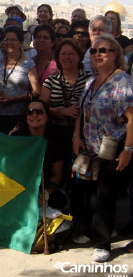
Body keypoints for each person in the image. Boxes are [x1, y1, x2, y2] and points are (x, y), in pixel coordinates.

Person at [72, 35, 133, 262]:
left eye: (104, 50)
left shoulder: (123, 82)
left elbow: (131, 118)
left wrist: (128, 149)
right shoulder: (90, 81)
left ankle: (103, 242)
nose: (98, 54)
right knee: (90, 193)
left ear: (115, 54)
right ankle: (94, 231)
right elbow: (82, 112)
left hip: (113, 147)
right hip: (91, 147)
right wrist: (76, 136)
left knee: (105, 196)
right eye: (94, 51)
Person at [40, 38, 89, 187]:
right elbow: (42, 108)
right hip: (57, 132)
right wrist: (63, 112)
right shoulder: (51, 81)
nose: (67, 57)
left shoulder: (89, 80)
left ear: (79, 56)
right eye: (63, 54)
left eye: (71, 54)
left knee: (82, 173)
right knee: (61, 171)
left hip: (83, 134)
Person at [10, 100, 65, 207]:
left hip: (46, 192)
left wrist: (44, 195)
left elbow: (57, 174)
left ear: (47, 117)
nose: (34, 115)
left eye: (39, 112)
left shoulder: (56, 141)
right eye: (30, 112)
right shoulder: (16, 138)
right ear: (26, 117)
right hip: (17, 190)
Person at [0, 26, 40, 134]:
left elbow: (36, 91)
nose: (9, 42)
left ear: (20, 42)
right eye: (6, 39)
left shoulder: (28, 64)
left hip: (19, 117)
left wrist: (14, 99)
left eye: (13, 39)